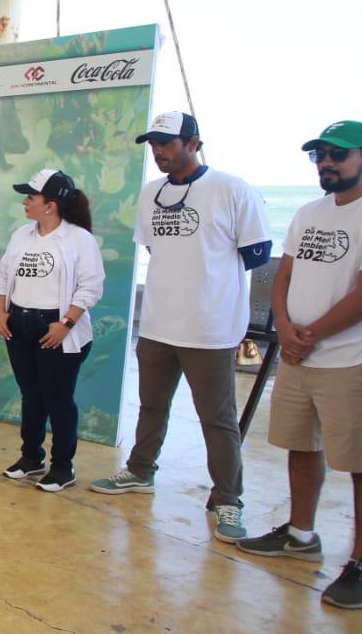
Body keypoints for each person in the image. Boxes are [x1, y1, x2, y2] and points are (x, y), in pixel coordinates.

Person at [237, 121, 362, 609]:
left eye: (338, 154)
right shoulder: (310, 211)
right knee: (300, 445)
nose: (326, 162)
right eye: (319, 154)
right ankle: (300, 534)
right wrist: (283, 324)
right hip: (299, 355)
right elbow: (284, 273)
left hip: (354, 361)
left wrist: (308, 335)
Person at [89, 112, 271, 545]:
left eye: (167, 142)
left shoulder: (230, 189)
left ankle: (228, 498)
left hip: (210, 330)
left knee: (217, 419)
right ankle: (140, 471)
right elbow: (156, 246)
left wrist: (208, 287)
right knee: (152, 406)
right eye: (153, 143)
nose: (158, 151)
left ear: (194, 143)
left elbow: (257, 253)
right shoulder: (150, 193)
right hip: (157, 324)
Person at [0, 169, 104, 492]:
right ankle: (31, 457)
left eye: (31, 196)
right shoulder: (21, 235)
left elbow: (91, 287)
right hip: (19, 325)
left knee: (57, 398)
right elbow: (3, 275)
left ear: (51, 205)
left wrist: (66, 323)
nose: (25, 202)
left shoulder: (78, 239)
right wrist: (1, 312)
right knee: (31, 395)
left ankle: (62, 466)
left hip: (57, 329)